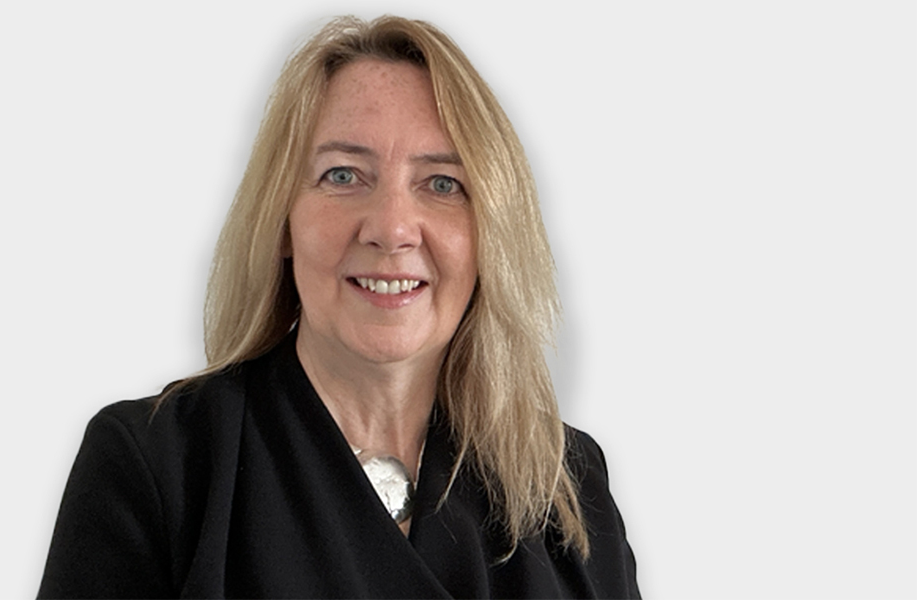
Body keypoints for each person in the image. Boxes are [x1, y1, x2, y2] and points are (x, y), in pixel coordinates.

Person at [38, 15, 639, 599]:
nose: (392, 229)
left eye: (442, 183)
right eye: (344, 175)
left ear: (491, 233)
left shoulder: (567, 482)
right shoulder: (157, 468)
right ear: (281, 220)